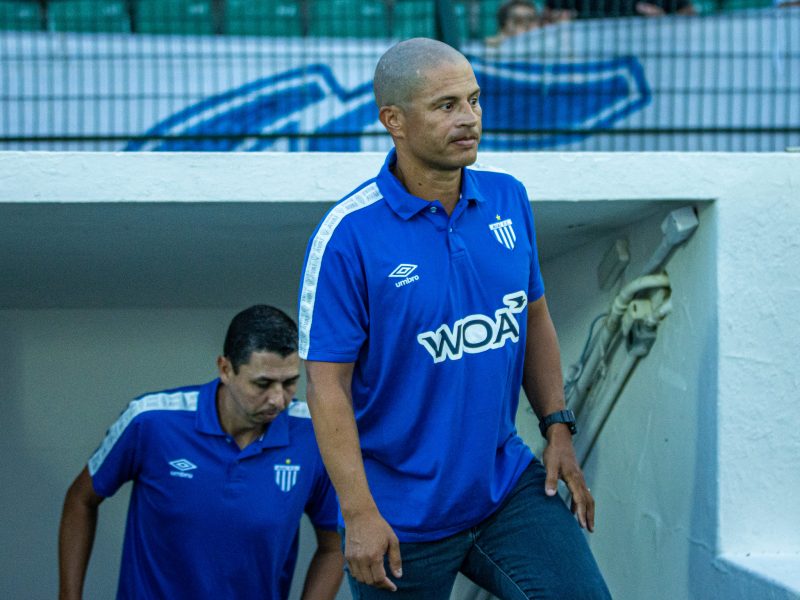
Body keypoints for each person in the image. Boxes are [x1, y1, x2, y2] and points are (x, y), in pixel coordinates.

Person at [298, 38, 611, 599]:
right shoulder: (348, 235)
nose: (469, 119)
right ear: (393, 120)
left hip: (505, 488)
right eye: (446, 106)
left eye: (474, 100)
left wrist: (556, 426)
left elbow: (533, 314)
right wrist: (358, 512)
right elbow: (326, 384)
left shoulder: (508, 198)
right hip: (399, 518)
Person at [58, 305, 343, 600]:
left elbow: (334, 545)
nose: (278, 399)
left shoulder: (313, 434)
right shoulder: (151, 421)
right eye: (262, 383)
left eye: (290, 383)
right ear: (225, 369)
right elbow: (80, 499)